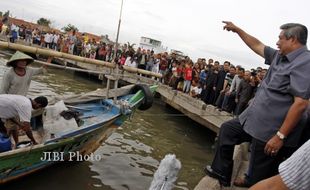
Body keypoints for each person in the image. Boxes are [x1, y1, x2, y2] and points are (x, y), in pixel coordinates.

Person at [204, 21, 310, 187]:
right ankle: (222, 172)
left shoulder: (305, 63)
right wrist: (238, 30)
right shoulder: (278, 56)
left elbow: (301, 104)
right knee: (228, 130)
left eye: (280, 38)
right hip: (253, 118)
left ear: (293, 39)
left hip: (271, 129)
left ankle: (251, 181)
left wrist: (279, 136)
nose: (277, 42)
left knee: (259, 177)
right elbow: (257, 45)